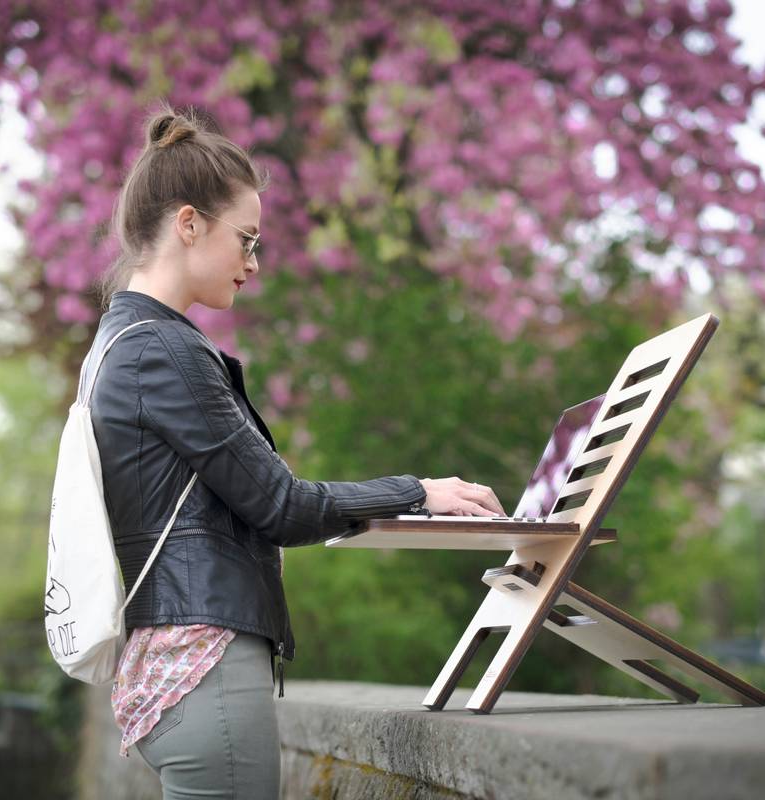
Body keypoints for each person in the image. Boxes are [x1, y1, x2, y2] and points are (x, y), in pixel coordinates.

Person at [86, 104, 505, 800]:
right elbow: (280, 505)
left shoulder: (114, 345)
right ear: (188, 224)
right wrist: (418, 492)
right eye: (245, 239)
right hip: (206, 673)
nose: (253, 263)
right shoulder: (163, 350)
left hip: (170, 675)